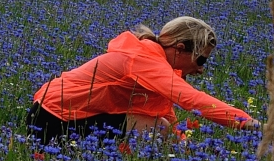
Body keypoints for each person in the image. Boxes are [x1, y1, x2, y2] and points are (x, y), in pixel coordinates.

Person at [28, 16, 256, 145]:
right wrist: (251, 125)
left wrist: (182, 145)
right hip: (52, 120)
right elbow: (192, 100)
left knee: (158, 126)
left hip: (57, 114)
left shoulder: (154, 59)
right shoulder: (145, 59)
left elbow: (163, 112)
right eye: (201, 61)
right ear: (179, 49)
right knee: (156, 129)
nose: (200, 70)